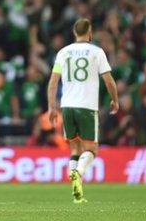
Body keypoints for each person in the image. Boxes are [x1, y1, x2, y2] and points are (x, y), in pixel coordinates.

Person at [47, 18, 118, 203]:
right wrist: (115, 100)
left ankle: (76, 192)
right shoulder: (97, 52)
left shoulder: (63, 52)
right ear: (90, 31)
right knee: (92, 149)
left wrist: (51, 107)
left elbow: (53, 82)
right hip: (86, 106)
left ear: (74, 32)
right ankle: (78, 172)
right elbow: (109, 80)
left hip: (67, 106)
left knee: (75, 147)